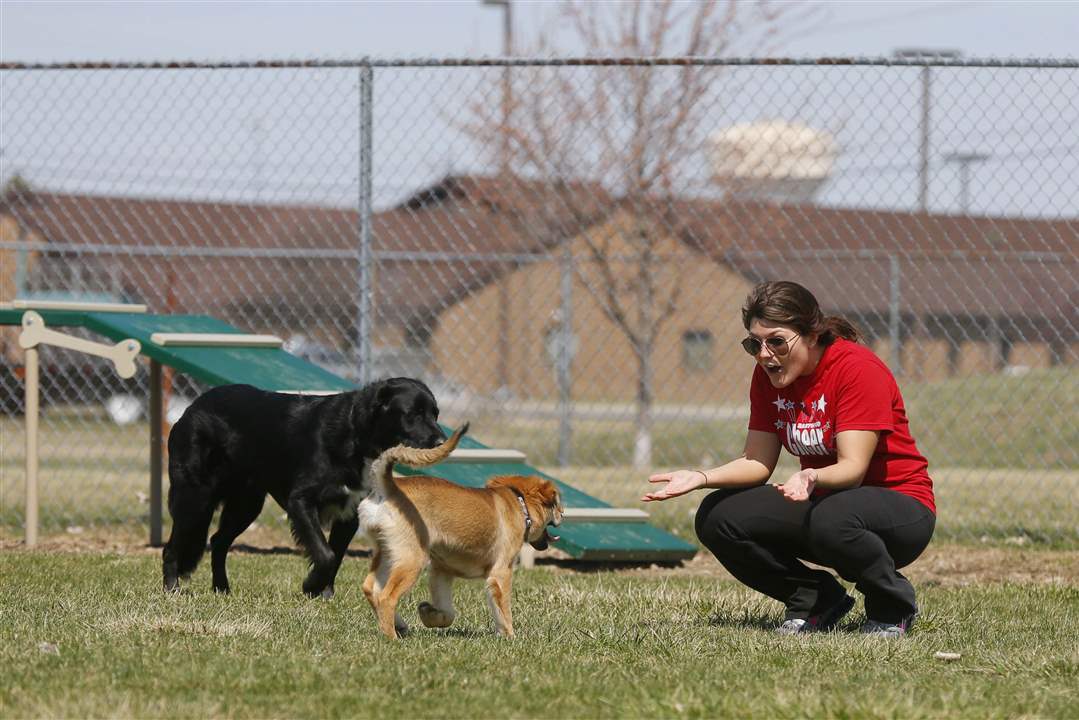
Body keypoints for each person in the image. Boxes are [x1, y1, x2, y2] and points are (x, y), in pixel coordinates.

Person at [643, 280, 935, 638]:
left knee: (833, 517)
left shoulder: (856, 368)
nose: (765, 354)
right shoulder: (768, 377)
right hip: (829, 507)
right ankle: (815, 599)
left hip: (902, 509)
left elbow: (854, 469)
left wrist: (811, 476)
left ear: (812, 335)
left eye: (777, 341)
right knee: (717, 517)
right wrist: (701, 477)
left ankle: (892, 608)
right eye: (754, 343)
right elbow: (757, 463)